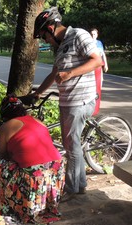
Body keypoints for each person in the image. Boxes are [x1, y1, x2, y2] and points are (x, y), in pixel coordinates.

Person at [32, 7, 102, 201]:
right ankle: (80, 186)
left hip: (80, 100)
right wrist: (37, 93)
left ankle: (71, 190)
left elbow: (97, 62)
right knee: (72, 144)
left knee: (71, 146)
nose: (44, 40)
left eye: (44, 35)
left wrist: (70, 73)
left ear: (52, 28)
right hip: (68, 102)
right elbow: (54, 74)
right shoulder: (62, 46)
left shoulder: (79, 35)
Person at [0, 94, 65, 224]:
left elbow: (3, 154)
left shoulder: (6, 127)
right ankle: (44, 205)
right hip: (57, 170)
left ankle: (0, 203)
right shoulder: (37, 120)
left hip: (34, 175)